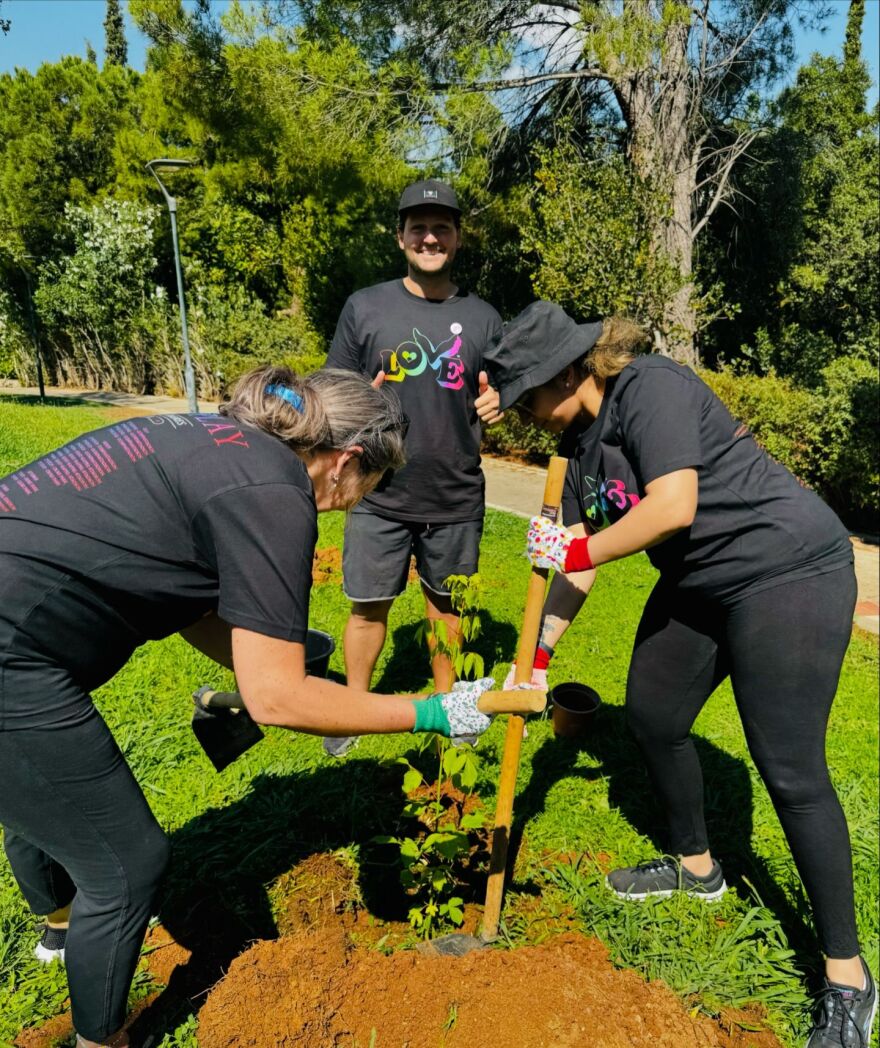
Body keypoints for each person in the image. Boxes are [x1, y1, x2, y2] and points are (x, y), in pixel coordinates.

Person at [0, 364, 497, 1048]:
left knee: (42, 783)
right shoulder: (275, 491)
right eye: (363, 492)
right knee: (127, 864)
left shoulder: (216, 439)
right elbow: (277, 697)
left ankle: (60, 925)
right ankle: (100, 1040)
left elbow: (185, 598)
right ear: (347, 460)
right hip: (11, 650)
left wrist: (265, 664)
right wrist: (435, 712)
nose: (348, 506)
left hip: (19, 622)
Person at [492, 301, 875, 1048]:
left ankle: (848, 977)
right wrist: (537, 662)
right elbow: (573, 565)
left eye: (527, 397)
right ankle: (699, 869)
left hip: (785, 569)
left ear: (567, 371)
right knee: (656, 716)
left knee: (791, 770)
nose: (523, 415)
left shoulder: (650, 388)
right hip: (699, 585)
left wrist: (577, 551)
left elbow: (671, 507)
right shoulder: (574, 446)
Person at [323, 177, 504, 756]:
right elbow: (333, 389)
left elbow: (504, 387)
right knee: (368, 605)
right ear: (401, 237)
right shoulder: (365, 306)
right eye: (419, 227)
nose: (431, 237)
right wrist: (357, 397)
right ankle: (349, 712)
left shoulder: (482, 317)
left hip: (453, 493)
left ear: (457, 239)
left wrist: (500, 400)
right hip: (378, 490)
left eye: (442, 228)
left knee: (445, 607)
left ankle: (450, 710)